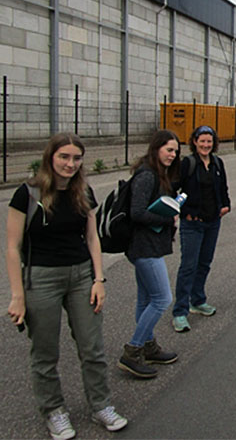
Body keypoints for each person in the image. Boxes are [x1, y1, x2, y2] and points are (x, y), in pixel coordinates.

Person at [5, 133, 127, 440]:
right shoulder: (27, 194)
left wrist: (99, 279)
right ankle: (54, 411)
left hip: (81, 276)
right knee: (45, 353)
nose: (70, 164)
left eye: (76, 158)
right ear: (51, 157)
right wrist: (17, 296)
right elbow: (12, 247)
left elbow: (92, 237)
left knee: (92, 347)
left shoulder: (82, 191)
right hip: (41, 278)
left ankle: (101, 405)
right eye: (64, 157)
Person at [118, 130, 180, 378]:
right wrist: (167, 218)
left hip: (148, 245)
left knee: (146, 300)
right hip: (144, 247)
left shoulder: (157, 173)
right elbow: (137, 212)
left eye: (175, 151)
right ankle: (132, 350)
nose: (173, 155)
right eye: (169, 150)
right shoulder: (146, 175)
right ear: (156, 149)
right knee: (162, 299)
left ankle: (148, 344)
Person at [172, 125, 231, 333]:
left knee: (204, 263)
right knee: (188, 266)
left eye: (209, 141)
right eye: (202, 141)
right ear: (194, 142)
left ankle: (198, 300)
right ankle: (180, 311)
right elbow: (175, 190)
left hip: (213, 221)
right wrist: (183, 209)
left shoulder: (217, 162)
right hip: (192, 223)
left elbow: (223, 187)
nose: (206, 145)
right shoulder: (187, 164)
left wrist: (226, 205)